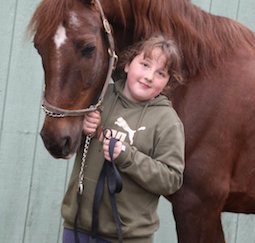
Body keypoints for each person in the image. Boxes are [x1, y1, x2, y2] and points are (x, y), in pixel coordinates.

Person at [62, 34, 185, 243]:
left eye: (160, 73)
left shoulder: (168, 122)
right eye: (145, 65)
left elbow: (172, 180)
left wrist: (127, 156)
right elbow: (64, 142)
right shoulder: (99, 97)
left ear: (166, 83)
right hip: (77, 229)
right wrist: (81, 128)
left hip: (127, 237)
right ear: (127, 65)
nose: (149, 76)